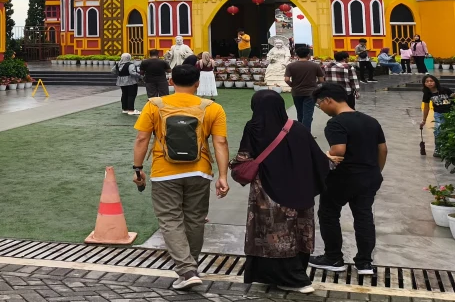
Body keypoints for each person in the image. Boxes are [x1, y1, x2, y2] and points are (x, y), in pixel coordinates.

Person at [133, 65, 230, 290]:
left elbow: (141, 139)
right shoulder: (212, 108)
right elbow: (221, 143)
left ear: (170, 81)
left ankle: (186, 270)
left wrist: (137, 169)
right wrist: (223, 176)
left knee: (170, 219)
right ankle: (191, 266)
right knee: (195, 219)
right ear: (197, 83)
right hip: (199, 171)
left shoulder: (154, 105)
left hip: (164, 172)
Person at [236, 90, 329, 293]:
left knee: (270, 233)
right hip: (300, 191)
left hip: (266, 193)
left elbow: (244, 158)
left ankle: (280, 277)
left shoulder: (254, 127)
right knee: (295, 233)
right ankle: (296, 276)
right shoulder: (298, 129)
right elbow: (320, 160)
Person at [309, 83, 387, 276]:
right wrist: (376, 172)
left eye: (319, 105)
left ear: (328, 100)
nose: (321, 109)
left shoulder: (336, 123)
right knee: (363, 217)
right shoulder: (371, 121)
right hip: (369, 176)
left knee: (328, 214)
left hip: (344, 178)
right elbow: (382, 149)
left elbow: (338, 151)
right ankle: (365, 263)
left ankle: (333, 258)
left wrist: (322, 156)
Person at [284, 45, 324, 131]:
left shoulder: (291, 66)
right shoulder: (315, 65)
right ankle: (306, 134)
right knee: (308, 114)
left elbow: (286, 79)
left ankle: (300, 131)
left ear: (296, 55)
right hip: (310, 92)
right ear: (308, 55)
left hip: (296, 92)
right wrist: (314, 84)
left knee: (300, 113)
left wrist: (293, 85)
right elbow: (321, 80)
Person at [420, 75, 455, 158]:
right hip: (438, 114)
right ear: (424, 84)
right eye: (427, 81)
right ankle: (438, 149)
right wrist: (424, 120)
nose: (429, 83)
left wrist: (454, 96)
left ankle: (451, 149)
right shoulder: (427, 94)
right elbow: (426, 107)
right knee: (438, 131)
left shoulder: (444, 89)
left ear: (435, 82)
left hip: (451, 112)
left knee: (451, 131)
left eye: (431, 81)